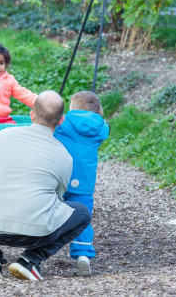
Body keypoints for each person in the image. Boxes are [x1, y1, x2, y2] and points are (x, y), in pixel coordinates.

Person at [0, 90, 91, 281]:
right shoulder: (64, 155)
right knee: (81, 213)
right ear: (61, 120)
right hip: (30, 234)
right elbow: (57, 200)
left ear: (31, 114)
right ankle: (30, 260)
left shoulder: (2, 135)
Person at [53, 91, 110, 276]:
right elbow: (106, 129)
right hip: (84, 183)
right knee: (83, 218)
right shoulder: (100, 127)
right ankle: (83, 254)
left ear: (73, 107)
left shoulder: (63, 122)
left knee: (49, 210)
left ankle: (37, 250)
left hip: (60, 176)